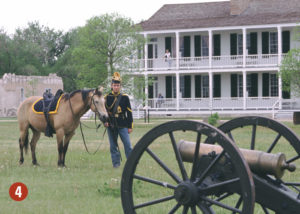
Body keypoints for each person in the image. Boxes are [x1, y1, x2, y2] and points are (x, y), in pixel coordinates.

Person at [104, 72, 133, 168]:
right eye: (114, 85)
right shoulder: (107, 97)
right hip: (111, 125)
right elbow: (103, 113)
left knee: (128, 145)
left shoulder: (125, 97)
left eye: (118, 85)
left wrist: (130, 126)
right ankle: (116, 164)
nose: (116, 87)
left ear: (120, 86)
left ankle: (130, 164)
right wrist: (105, 122)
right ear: (111, 86)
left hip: (123, 124)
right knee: (113, 146)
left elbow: (129, 113)